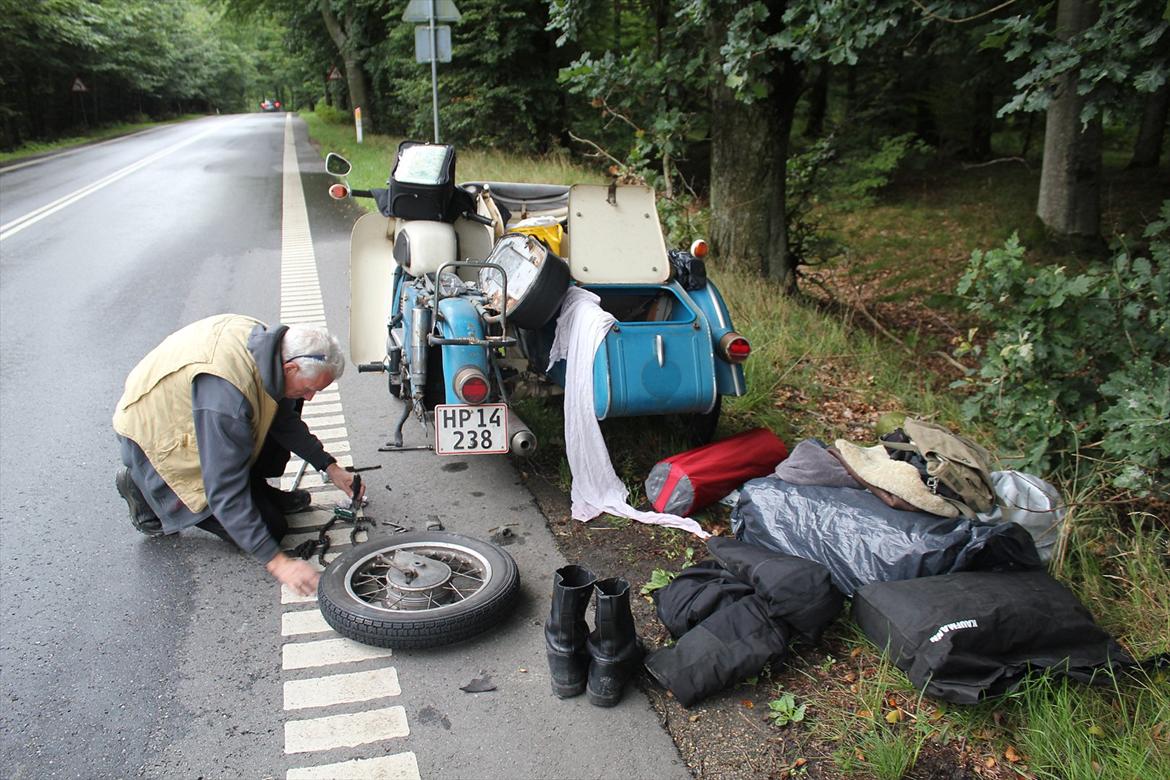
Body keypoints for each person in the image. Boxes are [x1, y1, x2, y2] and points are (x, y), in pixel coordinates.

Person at [112, 314, 364, 596]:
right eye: (309, 389)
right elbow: (223, 490)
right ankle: (141, 486)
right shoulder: (228, 396)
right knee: (269, 529)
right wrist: (278, 562)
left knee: (284, 406)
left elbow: (283, 421)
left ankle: (258, 492)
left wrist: (329, 467)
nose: (310, 397)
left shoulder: (267, 349)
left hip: (201, 418)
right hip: (154, 437)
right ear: (291, 368)